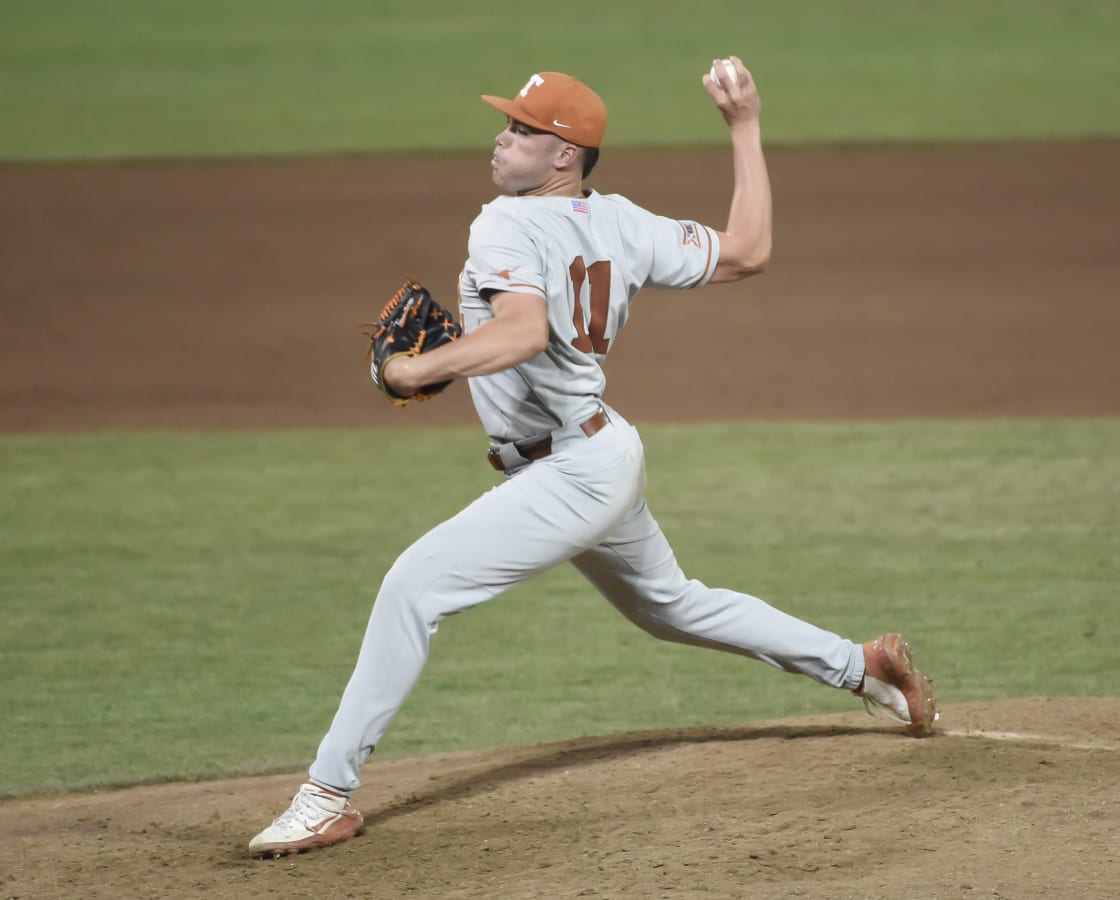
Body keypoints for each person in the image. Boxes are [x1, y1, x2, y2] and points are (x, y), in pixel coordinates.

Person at [248, 57, 937, 859]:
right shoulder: (623, 222)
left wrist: (411, 370)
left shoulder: (502, 223)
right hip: (602, 452)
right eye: (507, 123)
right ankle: (866, 668)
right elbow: (748, 249)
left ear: (564, 156)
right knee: (671, 604)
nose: (501, 139)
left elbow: (521, 334)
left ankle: (326, 795)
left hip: (570, 471)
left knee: (413, 587)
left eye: (521, 130)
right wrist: (744, 127)